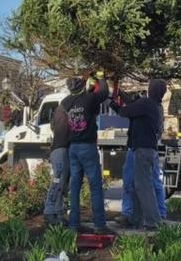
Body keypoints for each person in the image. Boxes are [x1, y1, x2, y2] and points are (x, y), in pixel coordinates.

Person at [113, 79, 167, 230]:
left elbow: (127, 111)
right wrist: (121, 94)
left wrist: (114, 105)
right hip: (149, 149)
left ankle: (153, 221)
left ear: (152, 90)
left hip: (142, 149)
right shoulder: (155, 106)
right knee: (140, 184)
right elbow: (133, 106)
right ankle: (136, 218)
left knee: (144, 186)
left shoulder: (146, 104)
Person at [63, 71, 111, 233]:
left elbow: (80, 102)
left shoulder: (65, 102)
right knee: (95, 185)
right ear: (83, 86)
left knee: (75, 186)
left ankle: (74, 224)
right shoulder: (89, 99)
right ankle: (99, 224)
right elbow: (104, 92)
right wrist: (100, 76)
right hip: (87, 146)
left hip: (73, 148)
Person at [43, 100, 71, 226]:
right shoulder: (66, 111)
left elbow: (53, 126)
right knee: (59, 180)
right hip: (61, 149)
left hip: (58, 149)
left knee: (60, 181)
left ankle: (56, 212)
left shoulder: (58, 111)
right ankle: (51, 211)